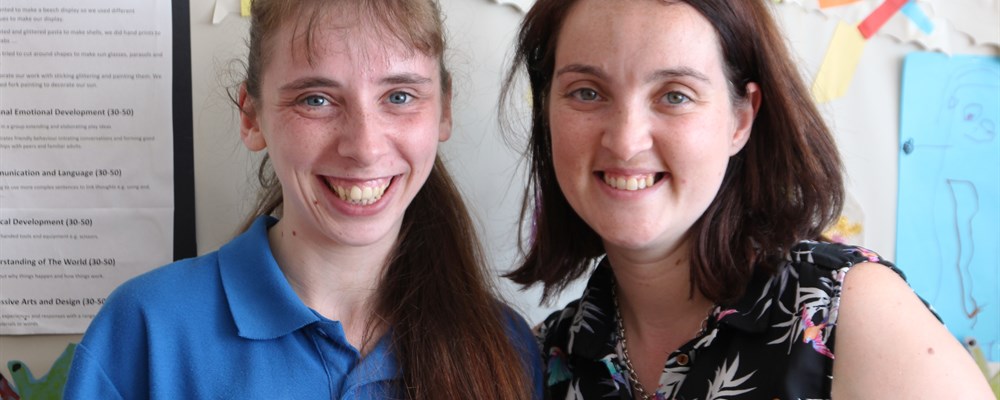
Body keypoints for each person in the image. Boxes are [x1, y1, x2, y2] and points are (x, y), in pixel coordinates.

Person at [501, 0, 993, 399]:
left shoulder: (851, 315)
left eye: (675, 95)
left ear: (741, 119)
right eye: (586, 93)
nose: (626, 141)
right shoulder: (542, 358)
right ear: (547, 113)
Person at [64, 0, 542, 398]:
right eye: (316, 99)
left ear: (444, 110)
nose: (364, 147)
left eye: (399, 96)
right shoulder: (146, 331)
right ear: (252, 117)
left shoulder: (505, 348)